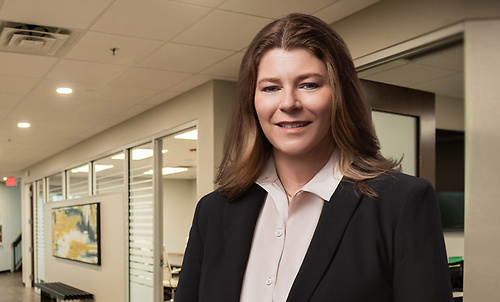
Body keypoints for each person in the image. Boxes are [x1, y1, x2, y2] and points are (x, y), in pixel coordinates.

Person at [175, 13, 453, 302]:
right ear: (252, 101)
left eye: (308, 84)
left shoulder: (402, 204)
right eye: (271, 88)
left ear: (339, 95)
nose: (288, 103)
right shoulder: (213, 212)